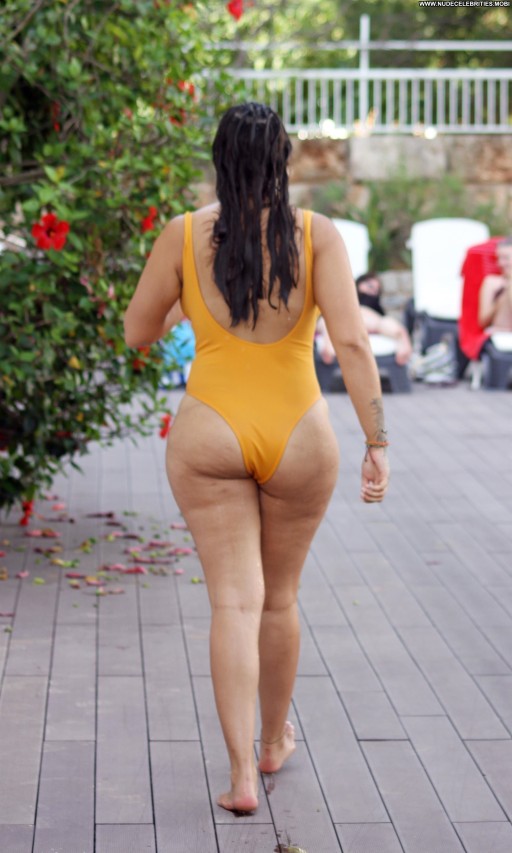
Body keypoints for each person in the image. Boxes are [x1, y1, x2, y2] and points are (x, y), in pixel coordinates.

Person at [124, 103, 389, 814]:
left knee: (232, 602)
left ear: (217, 158)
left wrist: (188, 304)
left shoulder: (183, 235)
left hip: (209, 430)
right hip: (300, 433)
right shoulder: (317, 235)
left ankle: (242, 777)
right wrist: (377, 441)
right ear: (284, 160)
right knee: (279, 597)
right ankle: (274, 743)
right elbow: (353, 344)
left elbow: (137, 332)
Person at [317, 272, 412, 367]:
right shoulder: (346, 299)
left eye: (377, 289)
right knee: (327, 322)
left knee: (389, 323)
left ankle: (404, 343)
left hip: (369, 321)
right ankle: (328, 346)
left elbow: (384, 321)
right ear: (358, 284)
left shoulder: (376, 307)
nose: (373, 290)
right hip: (345, 320)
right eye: (370, 286)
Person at [478, 236, 512, 334]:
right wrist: (501, 297)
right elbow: (483, 321)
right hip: (499, 333)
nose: (500, 263)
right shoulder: (492, 282)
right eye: (498, 258)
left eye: (505, 258)